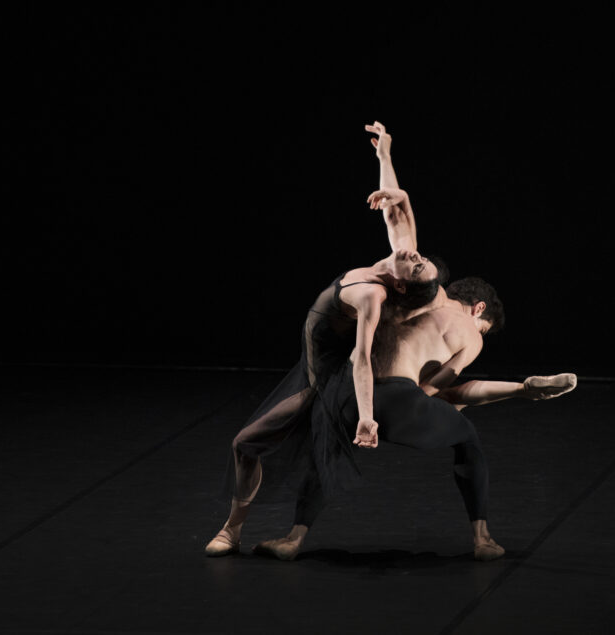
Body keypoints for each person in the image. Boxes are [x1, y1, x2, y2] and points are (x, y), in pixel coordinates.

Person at [204, 122, 444, 556]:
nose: (414, 254)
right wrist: (385, 157)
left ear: (403, 287)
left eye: (416, 265)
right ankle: (236, 530)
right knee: (256, 447)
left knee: (256, 444)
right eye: (420, 256)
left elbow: (364, 357)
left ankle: (239, 532)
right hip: (311, 367)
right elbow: (396, 211)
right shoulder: (392, 258)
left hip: (326, 380)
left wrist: (367, 417)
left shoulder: (374, 294)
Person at [254, 277, 578, 562]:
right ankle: (483, 538)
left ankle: (292, 539)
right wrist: (445, 408)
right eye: (484, 328)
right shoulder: (468, 332)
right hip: (400, 398)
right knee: (467, 438)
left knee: (327, 455)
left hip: (348, 394)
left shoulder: (413, 299)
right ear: (478, 309)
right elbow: (432, 388)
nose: (481, 335)